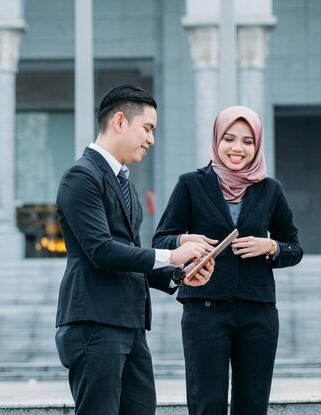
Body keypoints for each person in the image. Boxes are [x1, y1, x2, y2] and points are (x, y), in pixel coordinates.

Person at [55, 84, 214, 415]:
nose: (151, 139)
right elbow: (101, 250)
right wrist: (172, 255)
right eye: (147, 128)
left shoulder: (124, 182)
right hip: (94, 323)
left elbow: (130, 255)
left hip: (129, 325)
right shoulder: (81, 177)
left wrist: (179, 274)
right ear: (119, 122)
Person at [153, 105, 303, 414]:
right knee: (207, 404)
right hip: (204, 309)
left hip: (257, 310)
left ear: (257, 145)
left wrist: (271, 246)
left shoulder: (270, 190)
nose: (238, 148)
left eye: (248, 141)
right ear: (217, 140)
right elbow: (161, 240)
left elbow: (295, 247)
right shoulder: (191, 184)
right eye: (229, 139)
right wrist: (184, 241)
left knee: (253, 405)